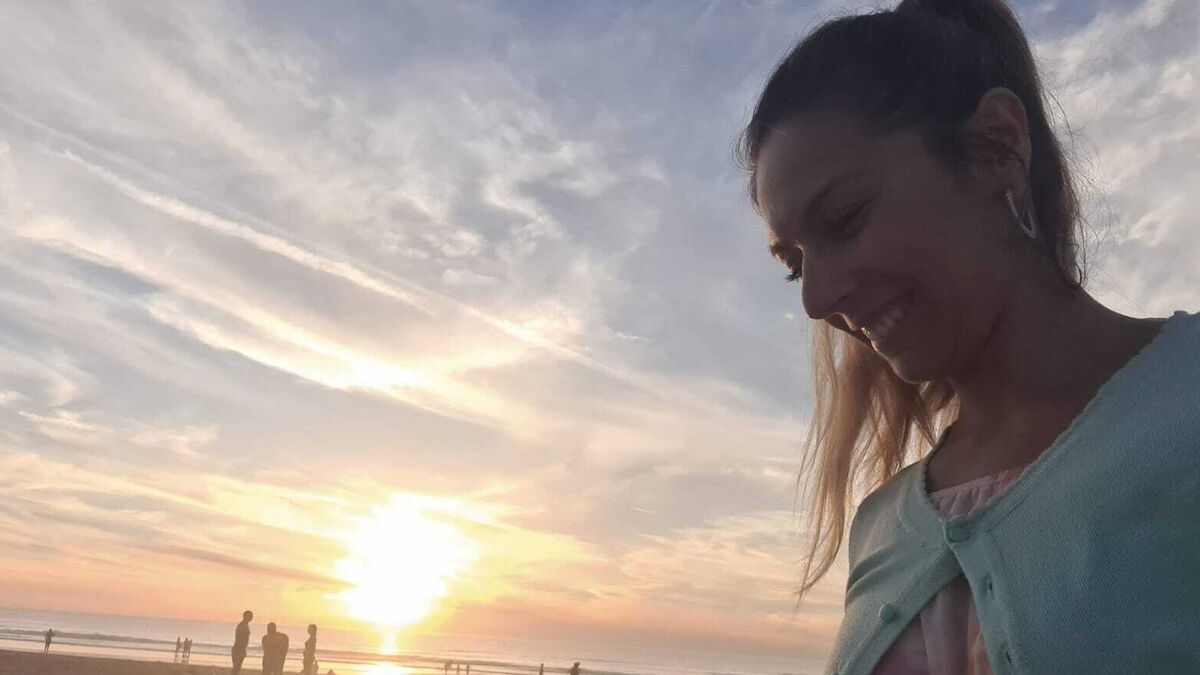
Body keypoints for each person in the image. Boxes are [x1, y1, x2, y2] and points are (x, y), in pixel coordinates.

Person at [739, 1, 1200, 674]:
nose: (815, 299)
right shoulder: (881, 526)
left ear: (996, 147)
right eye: (795, 264)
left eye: (845, 217)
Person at [231, 610, 253, 675]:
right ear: (245, 616)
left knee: (237, 668)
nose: (251, 617)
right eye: (250, 616)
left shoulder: (245, 625)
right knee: (236, 668)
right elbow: (239, 639)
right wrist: (241, 649)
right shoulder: (242, 625)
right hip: (238, 649)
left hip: (241, 649)